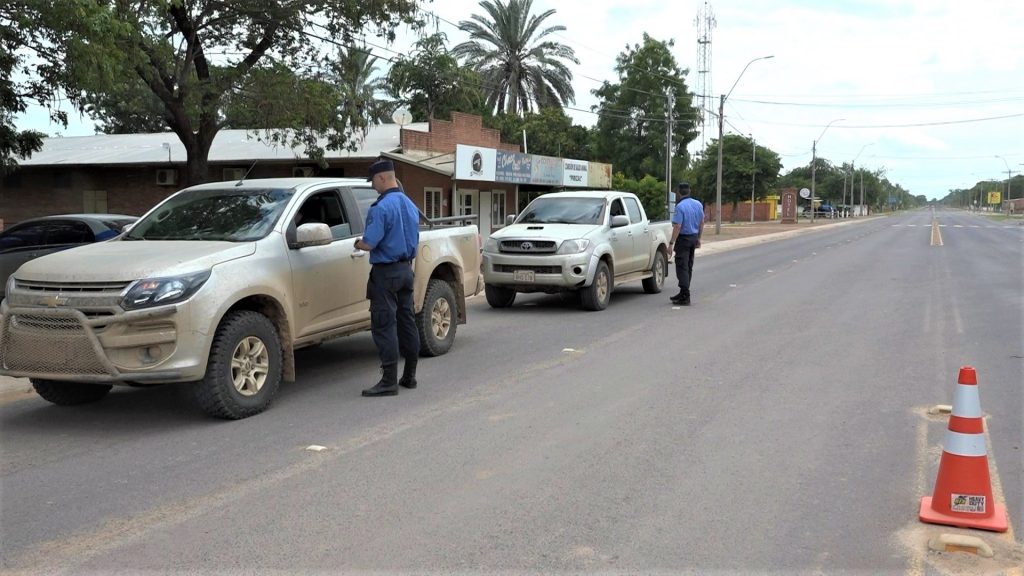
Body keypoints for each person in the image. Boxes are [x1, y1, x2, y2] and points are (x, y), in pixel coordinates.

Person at [354, 159, 421, 397]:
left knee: (384, 325)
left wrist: (357, 243)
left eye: (373, 181)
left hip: (386, 274)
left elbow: (369, 243)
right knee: (407, 322)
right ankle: (410, 376)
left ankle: (389, 381)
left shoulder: (380, 208)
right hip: (406, 271)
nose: (373, 186)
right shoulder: (410, 204)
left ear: (382, 177)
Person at [668, 182, 704, 306]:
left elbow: (677, 226)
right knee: (688, 265)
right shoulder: (698, 204)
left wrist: (671, 243)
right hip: (693, 237)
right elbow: (701, 222)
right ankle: (683, 291)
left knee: (682, 266)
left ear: (679, 192)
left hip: (683, 239)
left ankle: (685, 294)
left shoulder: (680, 207)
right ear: (690, 190)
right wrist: (699, 238)